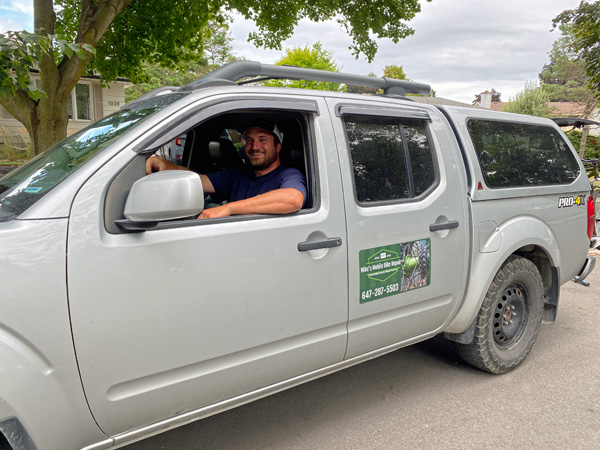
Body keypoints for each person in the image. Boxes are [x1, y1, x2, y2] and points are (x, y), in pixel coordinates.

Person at [146, 119, 307, 219]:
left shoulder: (289, 174)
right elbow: (198, 180)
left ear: (277, 147)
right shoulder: (238, 174)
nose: (254, 146)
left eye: (262, 140)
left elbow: (292, 199)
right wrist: (165, 165)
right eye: (249, 140)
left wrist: (228, 208)